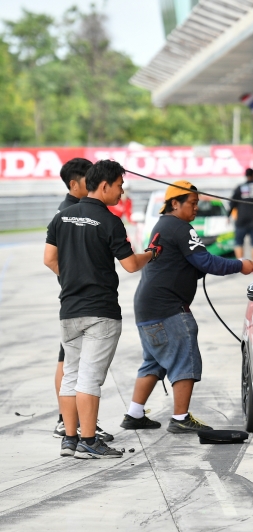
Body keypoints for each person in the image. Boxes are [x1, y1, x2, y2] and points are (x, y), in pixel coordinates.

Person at [120, 181, 253, 434]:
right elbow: (206, 261)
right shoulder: (180, 228)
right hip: (168, 308)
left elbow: (178, 265)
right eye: (192, 204)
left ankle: (134, 413)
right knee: (185, 358)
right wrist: (241, 265)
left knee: (154, 362)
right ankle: (181, 418)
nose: (196, 209)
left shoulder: (162, 226)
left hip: (147, 308)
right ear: (175, 203)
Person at [44, 160, 154, 459]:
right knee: (89, 378)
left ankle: (70, 439)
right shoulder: (110, 221)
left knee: (71, 376)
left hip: (70, 309)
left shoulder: (61, 217)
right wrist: (151, 254)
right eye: (119, 186)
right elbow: (131, 265)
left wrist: (72, 279)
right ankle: (89, 441)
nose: (121, 193)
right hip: (101, 311)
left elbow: (49, 259)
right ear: (104, 185)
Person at [52, 158, 96, 439]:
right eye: (87, 180)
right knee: (68, 362)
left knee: (68, 359)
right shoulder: (69, 212)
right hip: (77, 300)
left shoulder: (73, 209)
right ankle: (65, 421)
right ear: (73, 184)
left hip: (75, 300)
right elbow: (51, 258)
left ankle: (70, 420)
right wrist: (73, 280)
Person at [230, 168, 253, 262]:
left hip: (241, 218)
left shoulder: (239, 187)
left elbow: (232, 203)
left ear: (245, 175)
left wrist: (228, 215)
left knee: (238, 241)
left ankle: (240, 264)